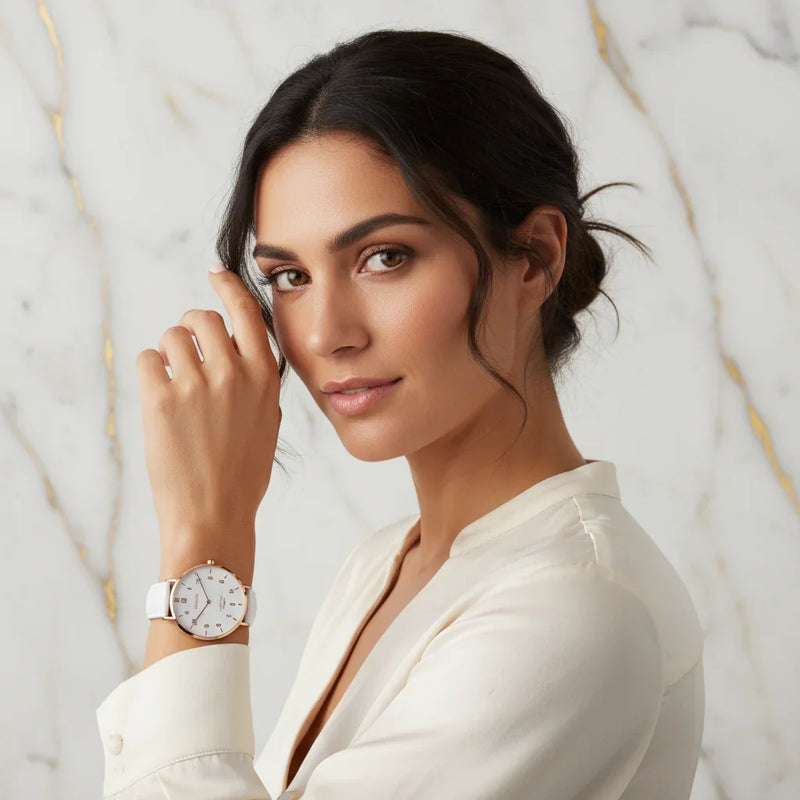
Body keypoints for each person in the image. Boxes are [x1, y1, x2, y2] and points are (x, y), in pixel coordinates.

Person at [96, 28, 705, 799]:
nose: (324, 334)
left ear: (537, 258)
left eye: (384, 257)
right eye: (288, 276)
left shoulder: (578, 608)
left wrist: (204, 541)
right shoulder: (384, 565)